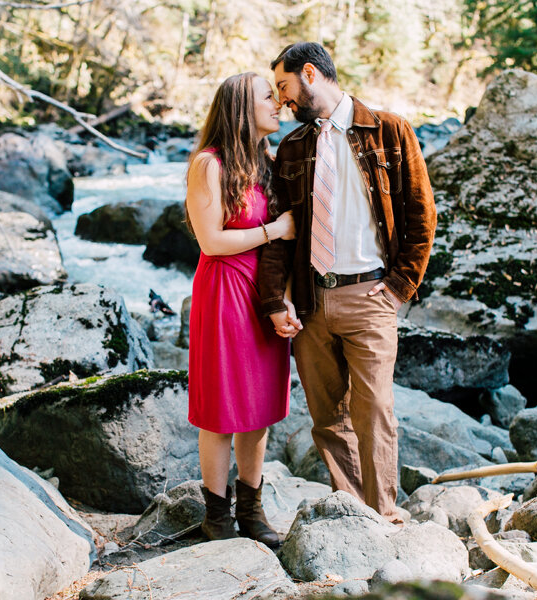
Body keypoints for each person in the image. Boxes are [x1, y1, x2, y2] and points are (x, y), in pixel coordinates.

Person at [258, 42, 436, 523]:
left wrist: (401, 286)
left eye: (284, 86)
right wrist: (276, 299)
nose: (282, 100)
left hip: (371, 295)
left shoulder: (389, 131)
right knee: (327, 418)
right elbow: (279, 235)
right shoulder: (292, 148)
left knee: (375, 408)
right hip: (311, 302)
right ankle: (355, 517)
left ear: (310, 74)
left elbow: (422, 216)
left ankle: (386, 514)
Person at [185, 72, 295, 548]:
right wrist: (275, 230)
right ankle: (217, 516)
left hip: (262, 293)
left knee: (260, 408)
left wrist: (282, 296)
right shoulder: (208, 164)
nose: (279, 102)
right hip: (225, 289)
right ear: (239, 108)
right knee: (222, 408)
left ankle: (252, 510)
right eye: (267, 96)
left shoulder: (266, 161)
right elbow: (212, 241)